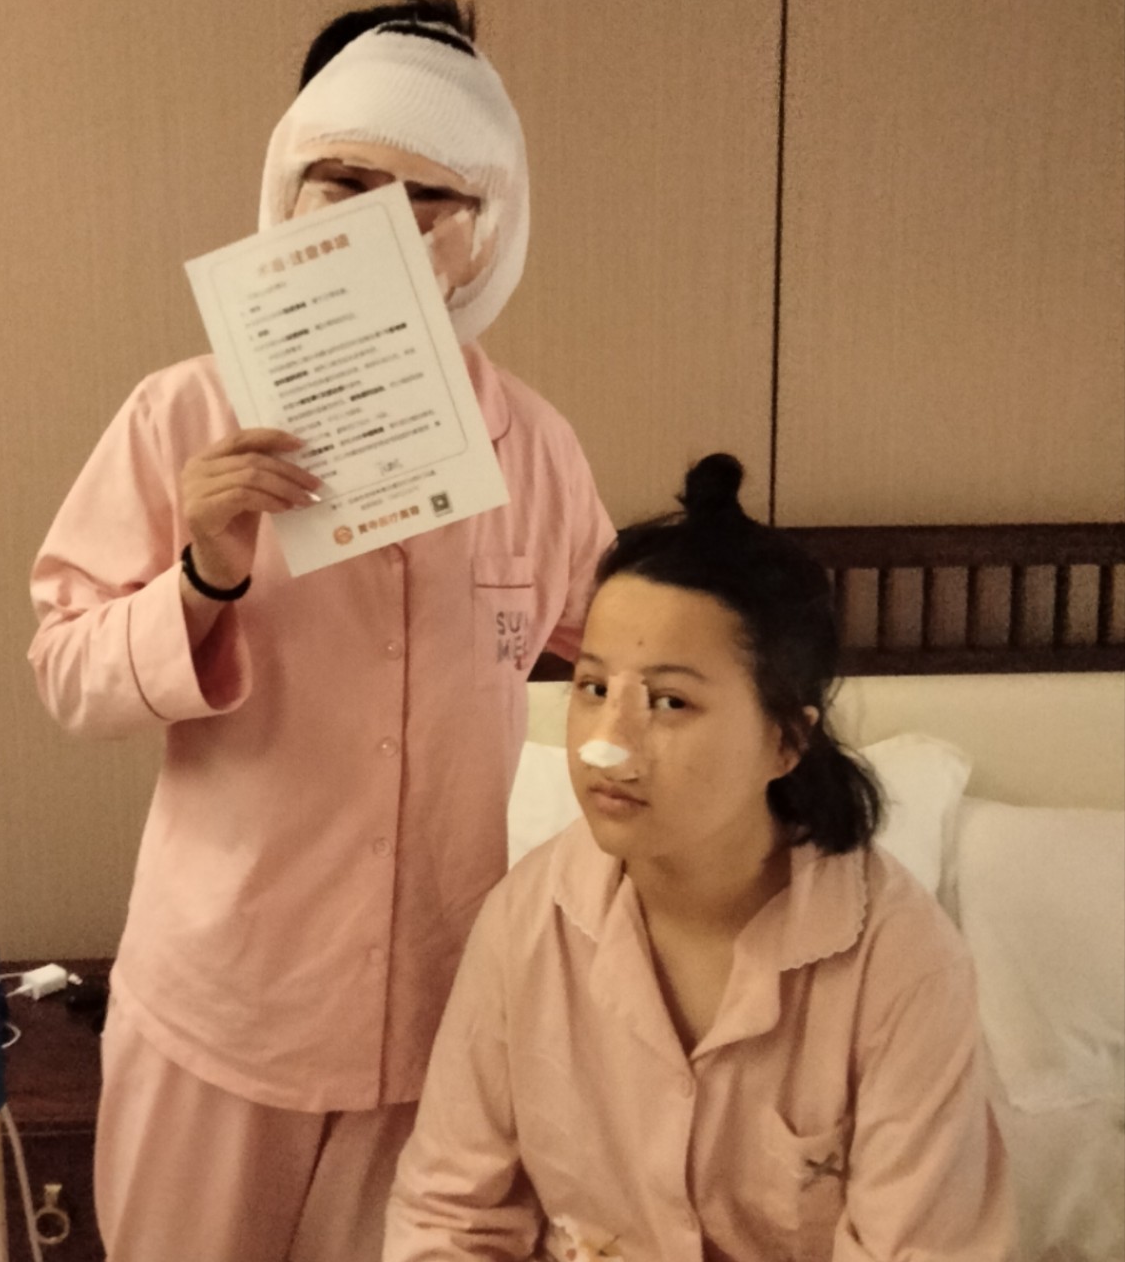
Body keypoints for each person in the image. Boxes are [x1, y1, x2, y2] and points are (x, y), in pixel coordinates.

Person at [28, 0, 612, 1262]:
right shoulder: (180, 417)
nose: (379, 227)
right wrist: (202, 573)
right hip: (223, 1012)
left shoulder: (537, 452)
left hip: (439, 1025)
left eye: (427, 199)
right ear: (287, 190)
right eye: (343, 182)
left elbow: (618, 658)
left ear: (485, 227)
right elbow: (66, 675)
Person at [384, 454, 1019, 1261]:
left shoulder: (900, 966)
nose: (607, 745)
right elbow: (447, 1215)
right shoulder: (526, 922)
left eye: (669, 701)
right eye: (591, 688)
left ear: (785, 741)